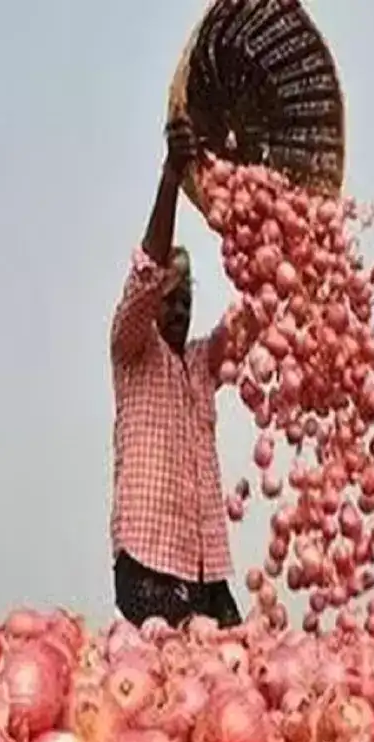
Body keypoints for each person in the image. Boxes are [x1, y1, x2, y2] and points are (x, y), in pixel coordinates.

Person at [109, 116, 248, 629]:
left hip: (206, 564)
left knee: (237, 680)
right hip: (149, 557)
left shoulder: (200, 364)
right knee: (165, 683)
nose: (180, 310)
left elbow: (250, 319)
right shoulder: (132, 350)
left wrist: (267, 234)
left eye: (188, 300)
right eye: (171, 299)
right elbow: (145, 272)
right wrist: (172, 176)